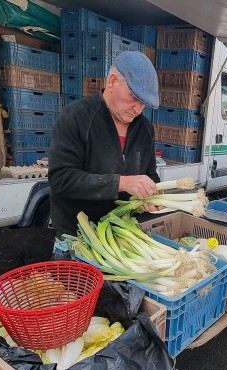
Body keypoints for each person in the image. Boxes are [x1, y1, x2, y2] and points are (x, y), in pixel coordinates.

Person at [48, 51, 161, 236]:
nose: (138, 109)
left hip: (123, 231)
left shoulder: (145, 128)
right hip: (77, 233)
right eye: (134, 97)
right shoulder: (75, 117)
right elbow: (61, 179)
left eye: (144, 103)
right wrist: (123, 183)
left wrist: (153, 194)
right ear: (112, 82)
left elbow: (150, 175)